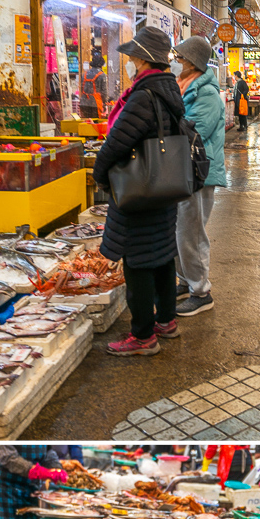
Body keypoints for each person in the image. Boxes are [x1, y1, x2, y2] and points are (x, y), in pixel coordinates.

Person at [93, 26, 186, 357]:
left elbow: (117, 142)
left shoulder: (143, 96)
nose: (131, 60)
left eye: (134, 55)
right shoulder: (168, 90)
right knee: (161, 256)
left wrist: (99, 175)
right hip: (164, 186)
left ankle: (143, 334)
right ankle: (167, 320)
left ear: (143, 60)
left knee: (137, 262)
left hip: (139, 191)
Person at [173, 36, 226, 317]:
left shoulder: (206, 94)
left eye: (180, 58)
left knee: (191, 232)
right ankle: (186, 281)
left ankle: (201, 291)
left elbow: (195, 132)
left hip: (200, 171)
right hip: (185, 169)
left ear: (193, 62)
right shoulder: (187, 86)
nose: (176, 62)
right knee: (181, 231)